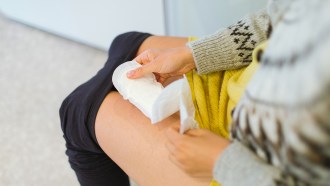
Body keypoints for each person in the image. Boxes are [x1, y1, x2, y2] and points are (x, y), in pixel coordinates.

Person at [60, 0, 330, 185]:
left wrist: (221, 162)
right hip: (252, 85)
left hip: (251, 163)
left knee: (77, 113)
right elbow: (278, 19)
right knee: (127, 44)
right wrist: (196, 54)